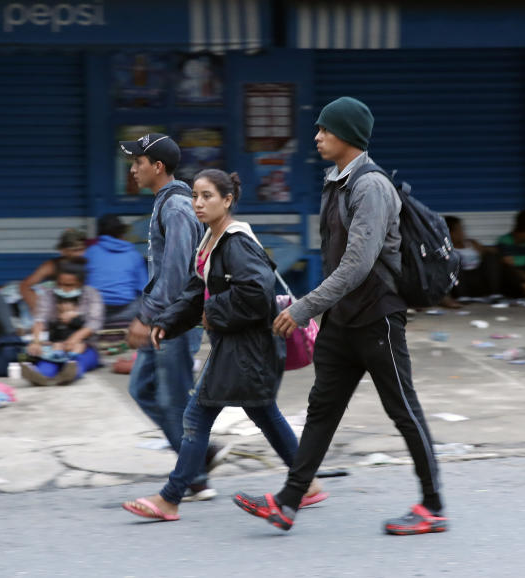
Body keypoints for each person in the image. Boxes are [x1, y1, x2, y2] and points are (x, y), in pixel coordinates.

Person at [232, 96, 447, 536]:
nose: (316, 137)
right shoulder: (337, 181)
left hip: (377, 318)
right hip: (343, 321)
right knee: (321, 410)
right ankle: (289, 502)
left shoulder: (371, 187)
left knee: (403, 410)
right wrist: (321, 312)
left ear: (347, 135)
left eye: (324, 130)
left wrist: (304, 307)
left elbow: (358, 263)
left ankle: (433, 505)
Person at [121, 170, 326, 522]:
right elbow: (193, 291)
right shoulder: (211, 241)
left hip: (248, 349)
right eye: (195, 196)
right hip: (242, 346)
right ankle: (307, 484)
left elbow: (255, 294)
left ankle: (170, 498)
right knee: (264, 412)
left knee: (196, 416)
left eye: (207, 196)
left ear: (227, 200)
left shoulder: (236, 242)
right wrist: (167, 322)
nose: (198, 204)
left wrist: (211, 312)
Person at [119, 132, 224, 501]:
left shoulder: (176, 207)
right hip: (164, 317)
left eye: (138, 163)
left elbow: (177, 272)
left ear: (157, 167)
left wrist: (146, 317)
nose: (133, 169)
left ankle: (195, 476)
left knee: (173, 399)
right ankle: (201, 454)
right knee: (142, 388)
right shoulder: (167, 203)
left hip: (174, 321)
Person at [20, 258, 103, 386]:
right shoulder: (48, 294)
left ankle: (69, 374)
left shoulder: (92, 294)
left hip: (84, 347)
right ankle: (39, 375)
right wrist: (36, 341)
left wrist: (74, 340)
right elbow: (39, 319)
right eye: (60, 284)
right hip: (55, 345)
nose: (64, 289)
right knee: (48, 362)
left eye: (69, 285)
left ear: (80, 284)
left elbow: (94, 323)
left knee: (76, 362)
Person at [84, 214, 148, 325]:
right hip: (126, 312)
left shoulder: (90, 253)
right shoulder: (134, 255)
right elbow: (143, 289)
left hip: (95, 312)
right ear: (122, 233)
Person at [19, 229, 87, 315]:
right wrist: (37, 308)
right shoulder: (52, 266)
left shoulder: (88, 264)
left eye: (82, 249)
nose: (79, 254)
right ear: (63, 251)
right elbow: (24, 286)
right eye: (75, 250)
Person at [442, 216, 503, 306]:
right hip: (462, 281)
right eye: (459, 230)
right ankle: (463, 296)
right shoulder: (447, 249)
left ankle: (494, 294)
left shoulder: (471, 243)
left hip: (479, 278)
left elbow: (488, 252)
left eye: (462, 229)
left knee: (491, 257)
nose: (462, 233)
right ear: (450, 233)